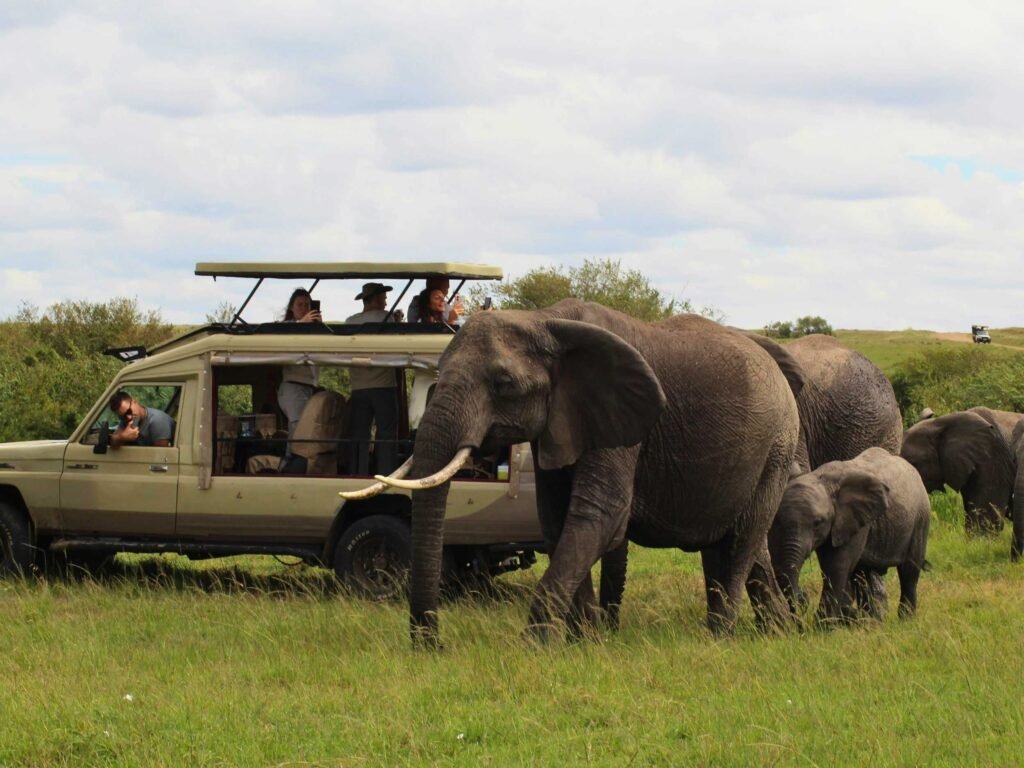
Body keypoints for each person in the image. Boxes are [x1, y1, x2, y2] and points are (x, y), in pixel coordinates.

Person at [346, 282, 400, 475]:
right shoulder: (386, 318)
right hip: (384, 385)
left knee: (360, 435)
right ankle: (386, 473)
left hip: (358, 387)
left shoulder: (350, 321)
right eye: (384, 299)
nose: (386, 303)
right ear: (376, 299)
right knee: (386, 434)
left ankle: (358, 473)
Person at [277, 288, 322, 442]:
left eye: (307, 305)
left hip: (309, 387)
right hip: (293, 387)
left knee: (306, 431)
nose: (304, 309)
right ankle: (293, 457)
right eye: (300, 305)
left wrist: (320, 327)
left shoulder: (313, 330)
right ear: (292, 308)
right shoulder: (286, 327)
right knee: (298, 432)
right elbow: (280, 337)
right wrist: (301, 324)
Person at [108, 391, 175, 448]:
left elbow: (160, 455)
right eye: (123, 416)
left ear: (134, 401)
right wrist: (122, 437)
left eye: (129, 411)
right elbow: (113, 444)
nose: (129, 417)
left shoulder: (157, 420)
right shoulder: (126, 421)